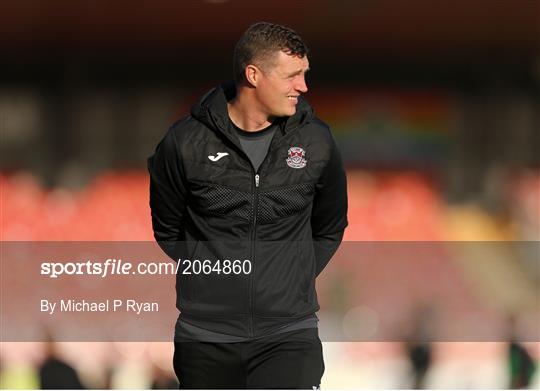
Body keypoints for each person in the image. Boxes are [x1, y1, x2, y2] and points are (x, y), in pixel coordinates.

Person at [148, 22, 348, 389]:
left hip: (289, 334)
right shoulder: (185, 143)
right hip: (205, 336)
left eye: (304, 75)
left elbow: (330, 225)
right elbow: (168, 229)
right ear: (253, 75)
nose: (303, 87)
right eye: (292, 76)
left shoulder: (317, 141)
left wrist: (289, 276)